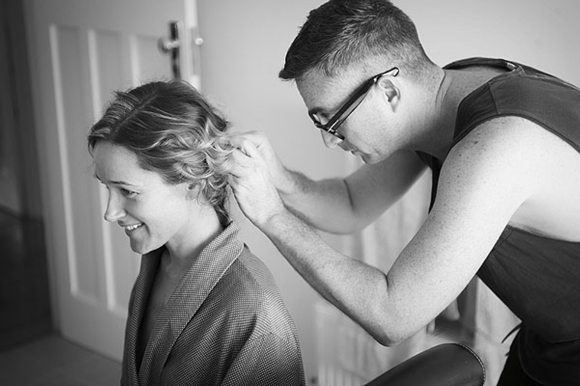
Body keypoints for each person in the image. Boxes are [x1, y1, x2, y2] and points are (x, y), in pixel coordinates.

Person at [226, 0, 580, 384]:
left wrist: (272, 216)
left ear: (390, 92)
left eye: (335, 121)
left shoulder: (496, 148)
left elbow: (392, 315)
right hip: (547, 340)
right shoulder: (445, 89)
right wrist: (277, 177)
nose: (331, 142)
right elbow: (351, 204)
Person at [87, 80, 305, 386]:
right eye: (106, 187)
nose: (110, 212)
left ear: (191, 181)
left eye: (127, 191)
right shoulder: (159, 262)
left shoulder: (257, 318)